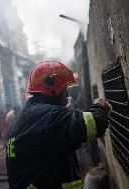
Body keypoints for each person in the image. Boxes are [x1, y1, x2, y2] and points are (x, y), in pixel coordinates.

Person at [6, 61, 112, 189]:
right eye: (64, 89)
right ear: (52, 89)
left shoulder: (29, 116)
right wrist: (99, 105)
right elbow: (96, 124)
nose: (67, 95)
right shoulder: (47, 116)